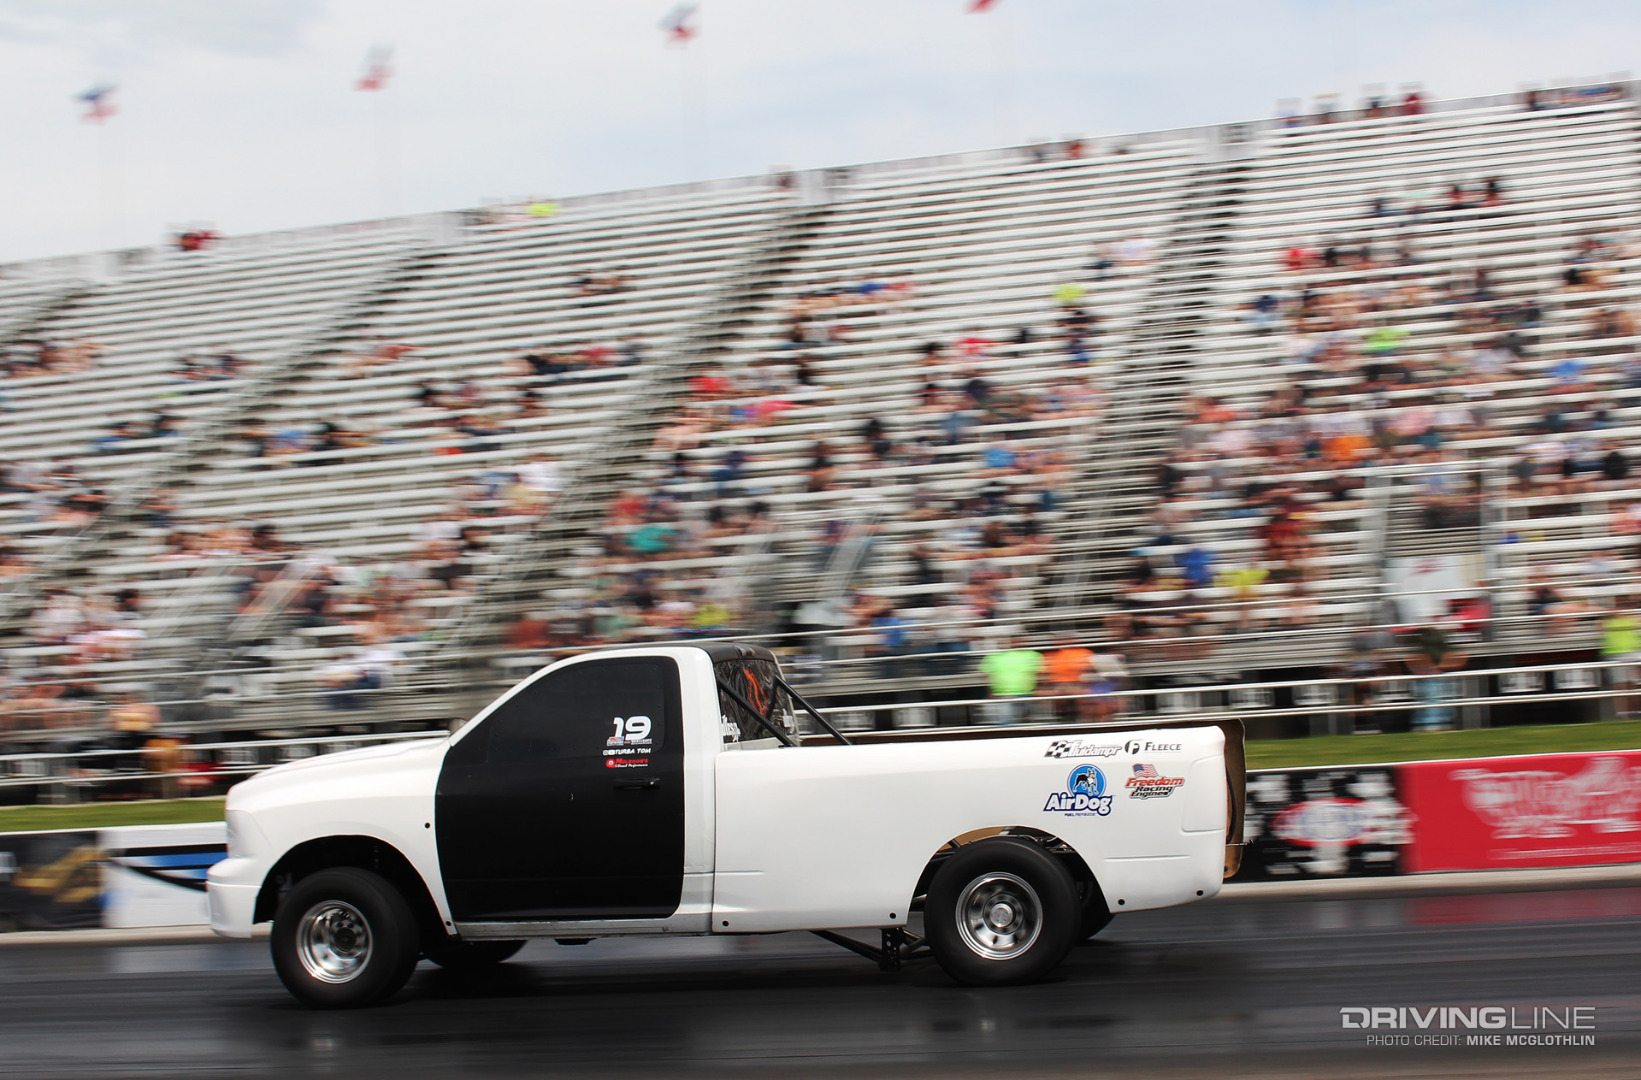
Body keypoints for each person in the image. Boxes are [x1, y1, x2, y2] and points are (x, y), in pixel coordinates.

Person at [980, 639, 1044, 725]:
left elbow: (1041, 674)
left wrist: (1038, 690)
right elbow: (987, 677)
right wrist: (990, 692)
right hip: (1003, 695)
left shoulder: (1033, 655)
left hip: (1025, 694)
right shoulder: (992, 656)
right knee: (1007, 722)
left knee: (1010, 722)